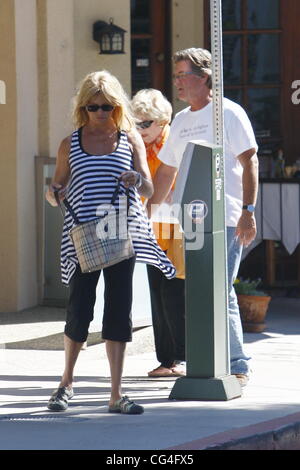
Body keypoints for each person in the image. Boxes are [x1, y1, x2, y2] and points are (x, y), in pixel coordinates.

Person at [45, 70, 175, 414]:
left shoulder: (129, 138)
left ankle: (116, 393)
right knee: (78, 311)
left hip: (122, 233)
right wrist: (53, 192)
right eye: (92, 107)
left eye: (106, 106)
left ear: (116, 106)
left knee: (118, 313)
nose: (100, 112)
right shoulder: (70, 144)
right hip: (83, 237)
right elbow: (55, 189)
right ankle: (65, 383)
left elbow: (148, 189)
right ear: (83, 108)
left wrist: (136, 178)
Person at [147, 48, 259, 387]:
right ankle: (205, 360)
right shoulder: (181, 121)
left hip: (226, 217)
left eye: (184, 75)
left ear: (205, 77)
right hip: (190, 220)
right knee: (197, 291)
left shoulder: (228, 113)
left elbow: (250, 161)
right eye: (176, 75)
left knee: (220, 290)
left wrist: (248, 212)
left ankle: (238, 363)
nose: (177, 82)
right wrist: (147, 212)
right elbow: (167, 171)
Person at [131, 89, 186, 377]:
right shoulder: (136, 147)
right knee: (156, 295)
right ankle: (166, 361)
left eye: (146, 123)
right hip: (150, 230)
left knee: (174, 294)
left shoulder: (173, 144)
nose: (140, 129)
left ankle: (182, 357)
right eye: (135, 123)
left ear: (163, 120)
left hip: (176, 230)